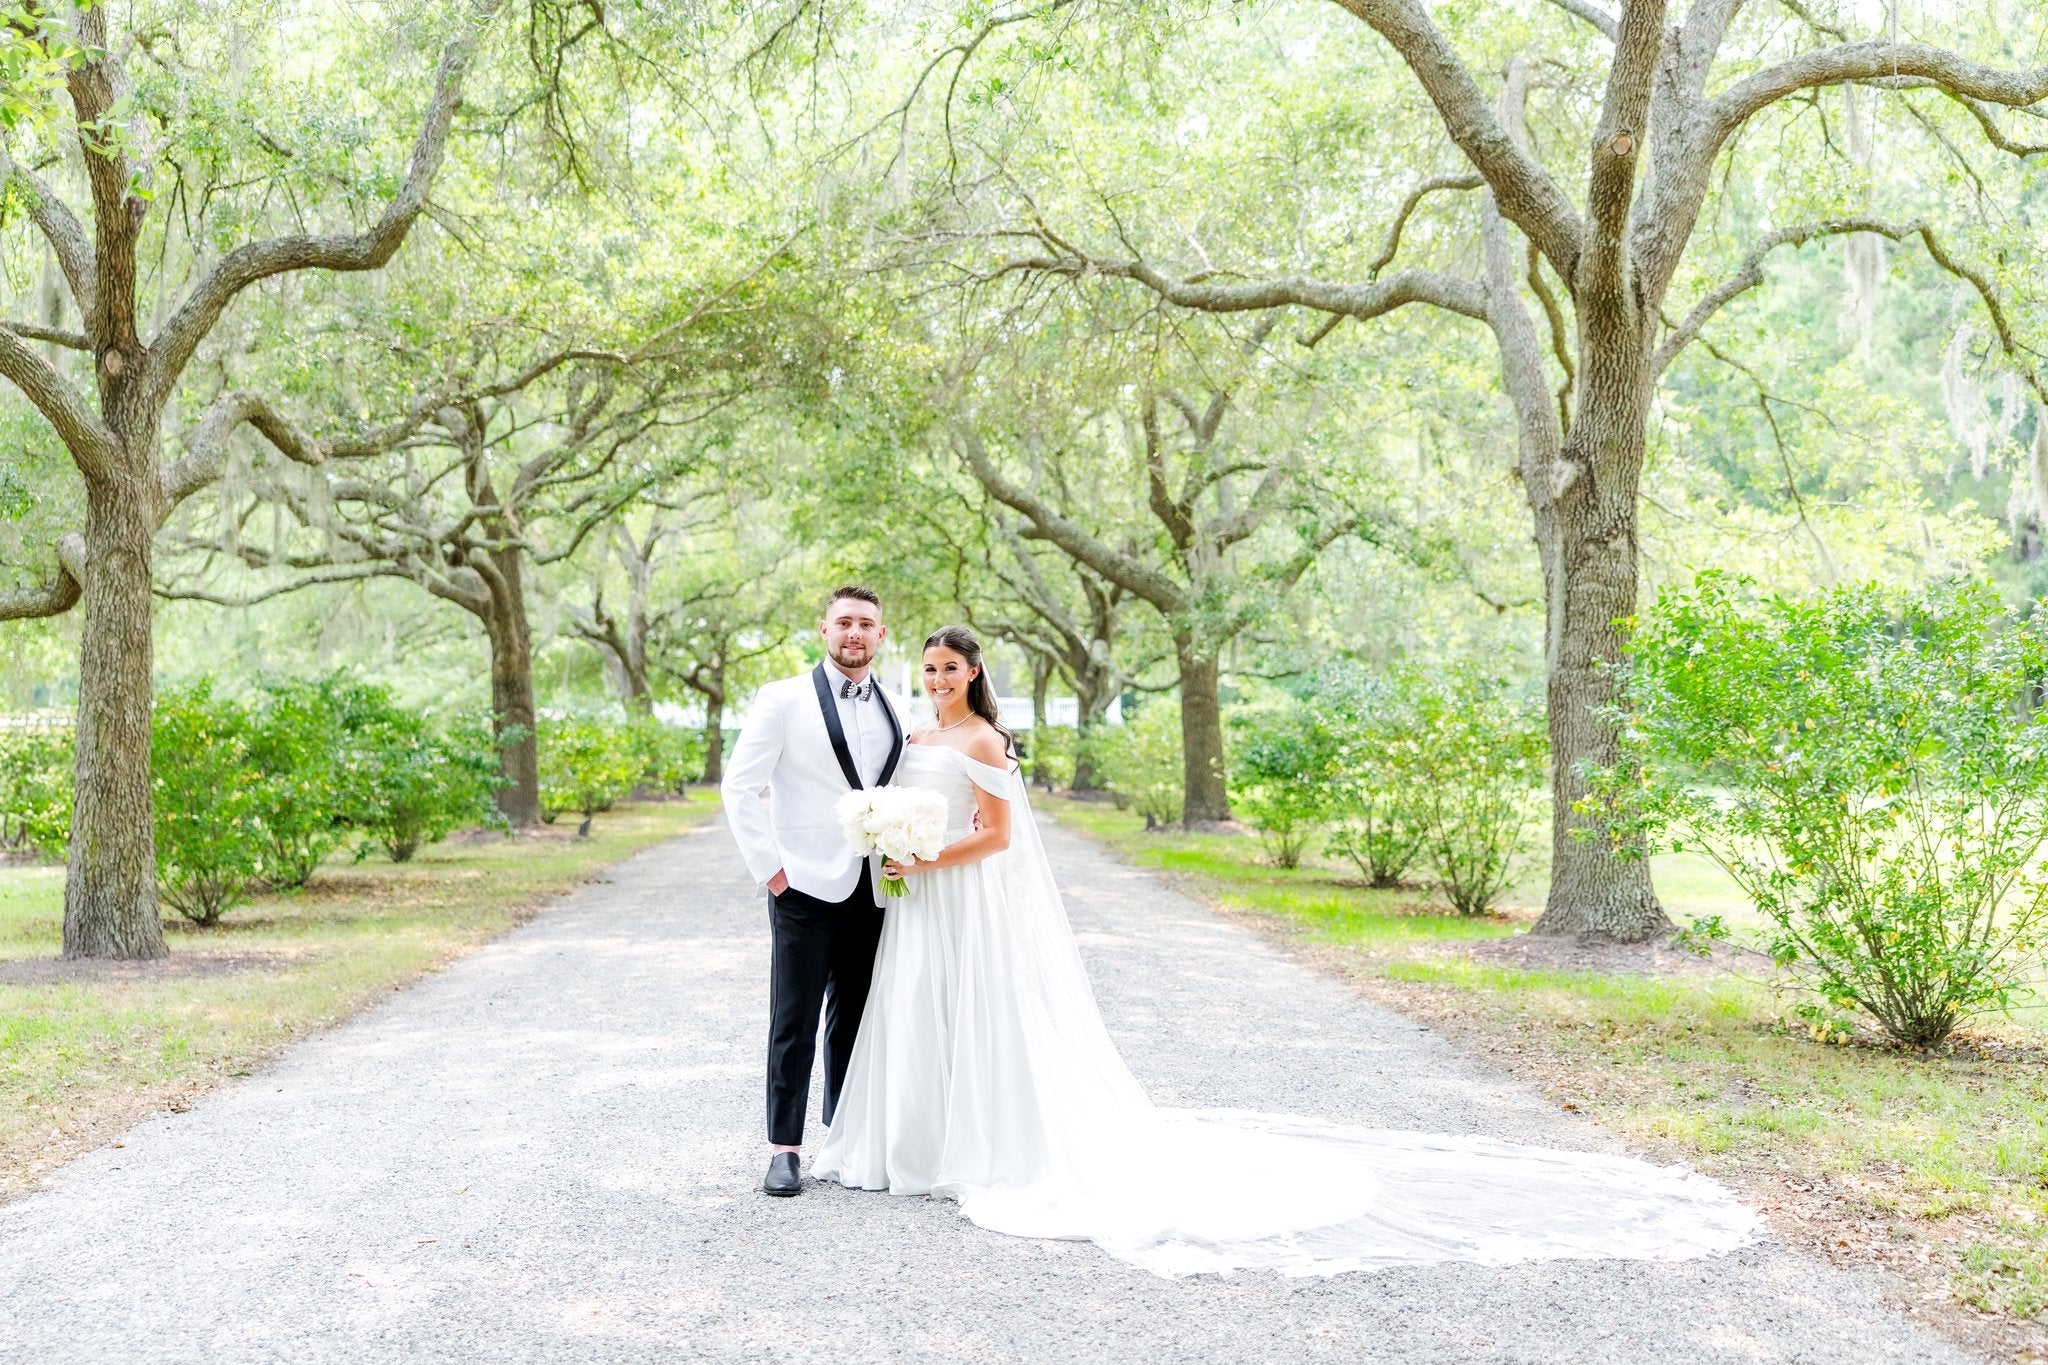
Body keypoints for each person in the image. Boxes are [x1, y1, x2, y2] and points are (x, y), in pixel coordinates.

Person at [811, 624, 1759, 1277]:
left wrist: (926, 848)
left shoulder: (982, 738)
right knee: (920, 1008)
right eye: (928, 671)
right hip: (922, 901)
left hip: (963, 894)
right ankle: (907, 1142)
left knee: (978, 1013)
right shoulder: (923, 729)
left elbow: (1001, 838)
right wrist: (897, 845)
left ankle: (978, 1146)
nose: (937, 682)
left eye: (949, 671)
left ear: (974, 675)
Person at [720, 586, 906, 1197]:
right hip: (801, 881)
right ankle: (784, 1148)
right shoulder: (782, 700)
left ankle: (843, 1138)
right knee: (793, 1018)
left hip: (872, 885)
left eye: (866, 625)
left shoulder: (898, 707)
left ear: (881, 636)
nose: (855, 633)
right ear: (823, 630)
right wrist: (771, 870)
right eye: (844, 623)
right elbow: (738, 787)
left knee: (854, 1016)